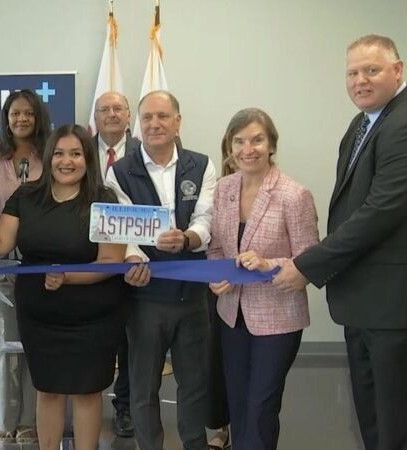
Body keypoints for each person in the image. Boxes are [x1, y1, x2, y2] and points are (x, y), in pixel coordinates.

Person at [0, 124, 150, 450]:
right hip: (40, 315)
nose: (67, 161)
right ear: (49, 157)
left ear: (87, 159)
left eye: (76, 154)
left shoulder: (105, 199)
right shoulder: (26, 196)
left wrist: (67, 277)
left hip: (94, 316)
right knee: (47, 389)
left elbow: (109, 260)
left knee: (87, 392)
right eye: (60, 153)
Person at [273, 34, 407, 450]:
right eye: (352, 73)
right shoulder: (363, 123)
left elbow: (381, 211)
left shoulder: (402, 124)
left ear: (397, 70)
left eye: (372, 70)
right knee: (372, 416)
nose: (360, 81)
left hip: (392, 305)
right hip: (364, 300)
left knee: (394, 420)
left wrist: (307, 264)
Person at [105, 90, 217, 450]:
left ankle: (195, 444)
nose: (154, 124)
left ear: (177, 121)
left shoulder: (202, 165)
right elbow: (121, 228)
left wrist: (187, 238)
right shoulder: (119, 172)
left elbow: (206, 217)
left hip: (193, 294)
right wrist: (134, 258)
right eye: (147, 117)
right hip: (145, 296)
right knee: (143, 386)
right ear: (138, 123)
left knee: (194, 383)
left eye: (163, 116)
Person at [207, 108, 319, 449]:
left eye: (257, 140)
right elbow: (216, 247)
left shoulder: (293, 195)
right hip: (231, 314)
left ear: (271, 145)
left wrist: (268, 264)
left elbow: (309, 260)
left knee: (260, 406)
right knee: (238, 402)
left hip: (278, 318)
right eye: (239, 141)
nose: (248, 149)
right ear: (229, 147)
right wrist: (218, 276)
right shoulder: (224, 188)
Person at [0, 89, 49, 443]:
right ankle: (5, 419)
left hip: (40, 261)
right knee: (4, 344)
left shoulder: (51, 157)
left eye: (28, 113)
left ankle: (29, 419)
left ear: (37, 117)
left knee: (35, 343)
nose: (22, 119)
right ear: (6, 119)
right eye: (15, 113)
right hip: (1, 261)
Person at [92, 90, 140, 438]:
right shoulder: (78, 149)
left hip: (136, 259)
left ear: (128, 115)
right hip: (90, 257)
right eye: (104, 109)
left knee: (130, 340)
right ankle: (85, 401)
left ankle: (125, 406)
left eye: (117, 108)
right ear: (95, 117)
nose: (111, 114)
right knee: (94, 337)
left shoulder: (146, 150)